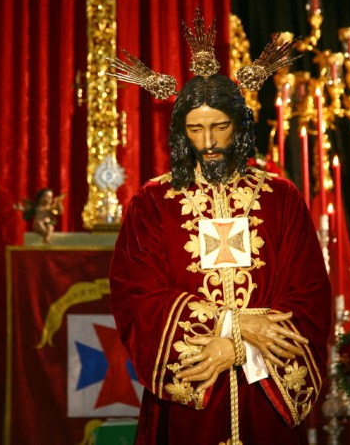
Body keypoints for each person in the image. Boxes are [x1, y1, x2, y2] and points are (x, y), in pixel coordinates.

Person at [109, 71, 332, 444]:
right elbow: (136, 296)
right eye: (195, 129)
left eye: (220, 127)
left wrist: (239, 349)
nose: (208, 142)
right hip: (196, 382)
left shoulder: (281, 198)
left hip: (264, 388)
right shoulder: (152, 203)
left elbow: (310, 293)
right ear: (182, 132)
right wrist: (232, 326)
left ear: (239, 125)